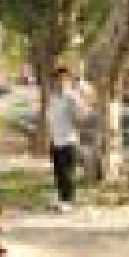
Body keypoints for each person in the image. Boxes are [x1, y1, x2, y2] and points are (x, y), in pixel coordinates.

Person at [47, 66, 88, 213]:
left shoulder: (72, 97)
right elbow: (51, 118)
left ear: (68, 80)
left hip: (69, 140)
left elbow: (83, 115)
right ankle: (61, 199)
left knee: (68, 173)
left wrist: (77, 112)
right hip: (55, 140)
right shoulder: (53, 97)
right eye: (58, 79)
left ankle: (68, 201)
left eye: (64, 79)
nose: (61, 82)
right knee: (58, 172)